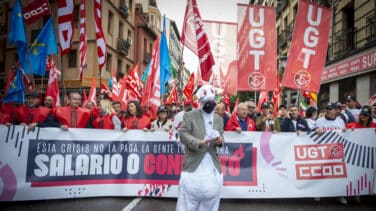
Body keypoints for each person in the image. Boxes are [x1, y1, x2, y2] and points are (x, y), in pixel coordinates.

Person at [176, 85, 224, 211]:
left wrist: (220, 140)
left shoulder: (219, 118)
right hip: (194, 163)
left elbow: (221, 136)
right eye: (208, 102)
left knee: (211, 202)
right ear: (202, 102)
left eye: (212, 102)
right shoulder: (190, 115)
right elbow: (183, 134)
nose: (211, 104)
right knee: (187, 204)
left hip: (213, 165)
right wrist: (198, 142)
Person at [313, 102, 348, 204]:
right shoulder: (319, 120)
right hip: (323, 151)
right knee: (321, 172)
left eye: (331, 109)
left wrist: (347, 132)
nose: (329, 111)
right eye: (327, 109)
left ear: (335, 110)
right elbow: (314, 132)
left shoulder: (340, 121)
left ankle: (339, 194)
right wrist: (316, 130)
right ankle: (318, 193)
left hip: (337, 151)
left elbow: (345, 134)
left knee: (338, 173)